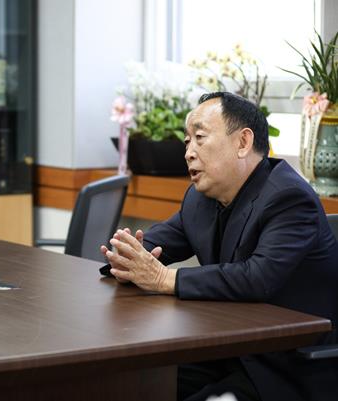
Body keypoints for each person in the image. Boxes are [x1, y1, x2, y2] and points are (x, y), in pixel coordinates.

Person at [101, 92, 338, 401]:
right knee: (130, 383)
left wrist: (163, 278)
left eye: (199, 137)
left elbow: (257, 277)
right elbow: (159, 243)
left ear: (243, 142)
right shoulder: (199, 198)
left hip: (284, 367)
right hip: (225, 351)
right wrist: (127, 255)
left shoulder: (289, 198)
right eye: (187, 142)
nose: (188, 152)